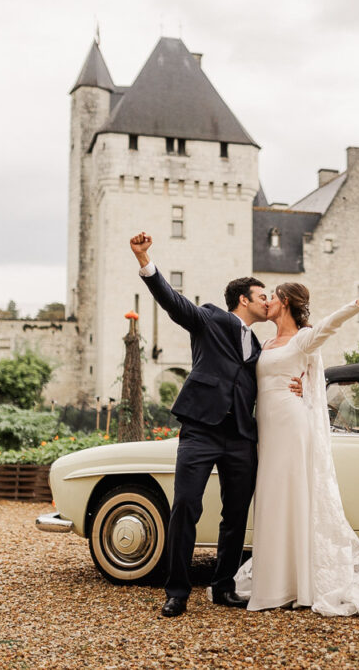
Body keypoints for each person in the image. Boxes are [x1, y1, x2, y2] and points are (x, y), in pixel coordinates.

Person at [130, 232, 301, 618]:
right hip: (201, 430)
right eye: (262, 296)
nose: (267, 301)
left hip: (241, 435)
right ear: (244, 299)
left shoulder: (259, 347)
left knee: (236, 515)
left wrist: (296, 382)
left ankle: (223, 587)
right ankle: (176, 592)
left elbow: (269, 380)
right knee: (185, 507)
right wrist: (145, 261)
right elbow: (173, 303)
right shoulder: (209, 318)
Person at [233, 280, 359, 618]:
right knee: (272, 498)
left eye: (272, 297)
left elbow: (333, 321)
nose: (267, 302)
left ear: (285, 301)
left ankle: (300, 585)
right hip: (267, 429)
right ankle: (273, 583)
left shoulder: (304, 338)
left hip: (292, 426)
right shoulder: (265, 342)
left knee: (294, 496)